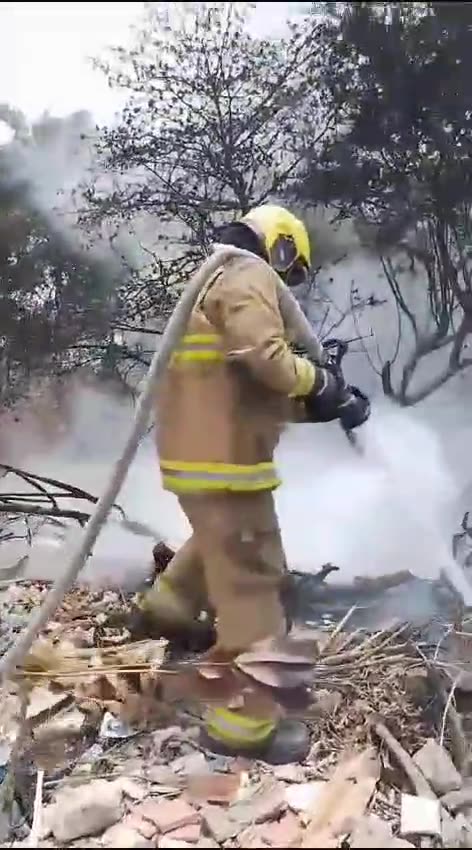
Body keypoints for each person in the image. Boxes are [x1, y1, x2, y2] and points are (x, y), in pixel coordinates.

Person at [132, 204, 367, 763]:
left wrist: (331, 400)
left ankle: (166, 612)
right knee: (257, 582)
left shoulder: (215, 280)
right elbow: (267, 357)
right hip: (225, 466)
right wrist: (319, 378)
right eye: (293, 269)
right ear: (282, 245)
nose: (289, 283)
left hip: (205, 462)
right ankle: (245, 724)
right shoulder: (248, 273)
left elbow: (254, 389)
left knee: (219, 543)